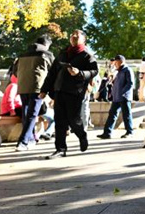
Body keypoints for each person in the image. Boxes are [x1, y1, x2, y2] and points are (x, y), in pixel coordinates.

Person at [40, 30, 99, 159]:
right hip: (59, 90)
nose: (74, 36)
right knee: (59, 121)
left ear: (84, 39)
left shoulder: (87, 55)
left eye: (77, 35)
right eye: (72, 34)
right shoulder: (63, 53)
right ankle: (60, 149)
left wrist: (79, 73)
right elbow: (52, 73)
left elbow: (94, 71)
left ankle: (82, 135)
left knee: (74, 120)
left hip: (75, 92)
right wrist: (44, 90)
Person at [12, 35, 54, 151]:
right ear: (47, 44)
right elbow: (54, 71)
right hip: (37, 86)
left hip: (22, 86)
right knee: (32, 114)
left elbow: (14, 72)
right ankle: (23, 142)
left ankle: (30, 139)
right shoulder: (47, 54)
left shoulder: (22, 55)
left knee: (26, 113)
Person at [98, 54, 134, 139]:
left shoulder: (127, 70)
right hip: (117, 97)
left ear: (121, 62)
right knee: (112, 114)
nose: (115, 64)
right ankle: (107, 133)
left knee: (126, 115)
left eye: (116, 62)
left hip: (124, 97)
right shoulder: (118, 71)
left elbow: (130, 83)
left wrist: (122, 92)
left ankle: (129, 132)